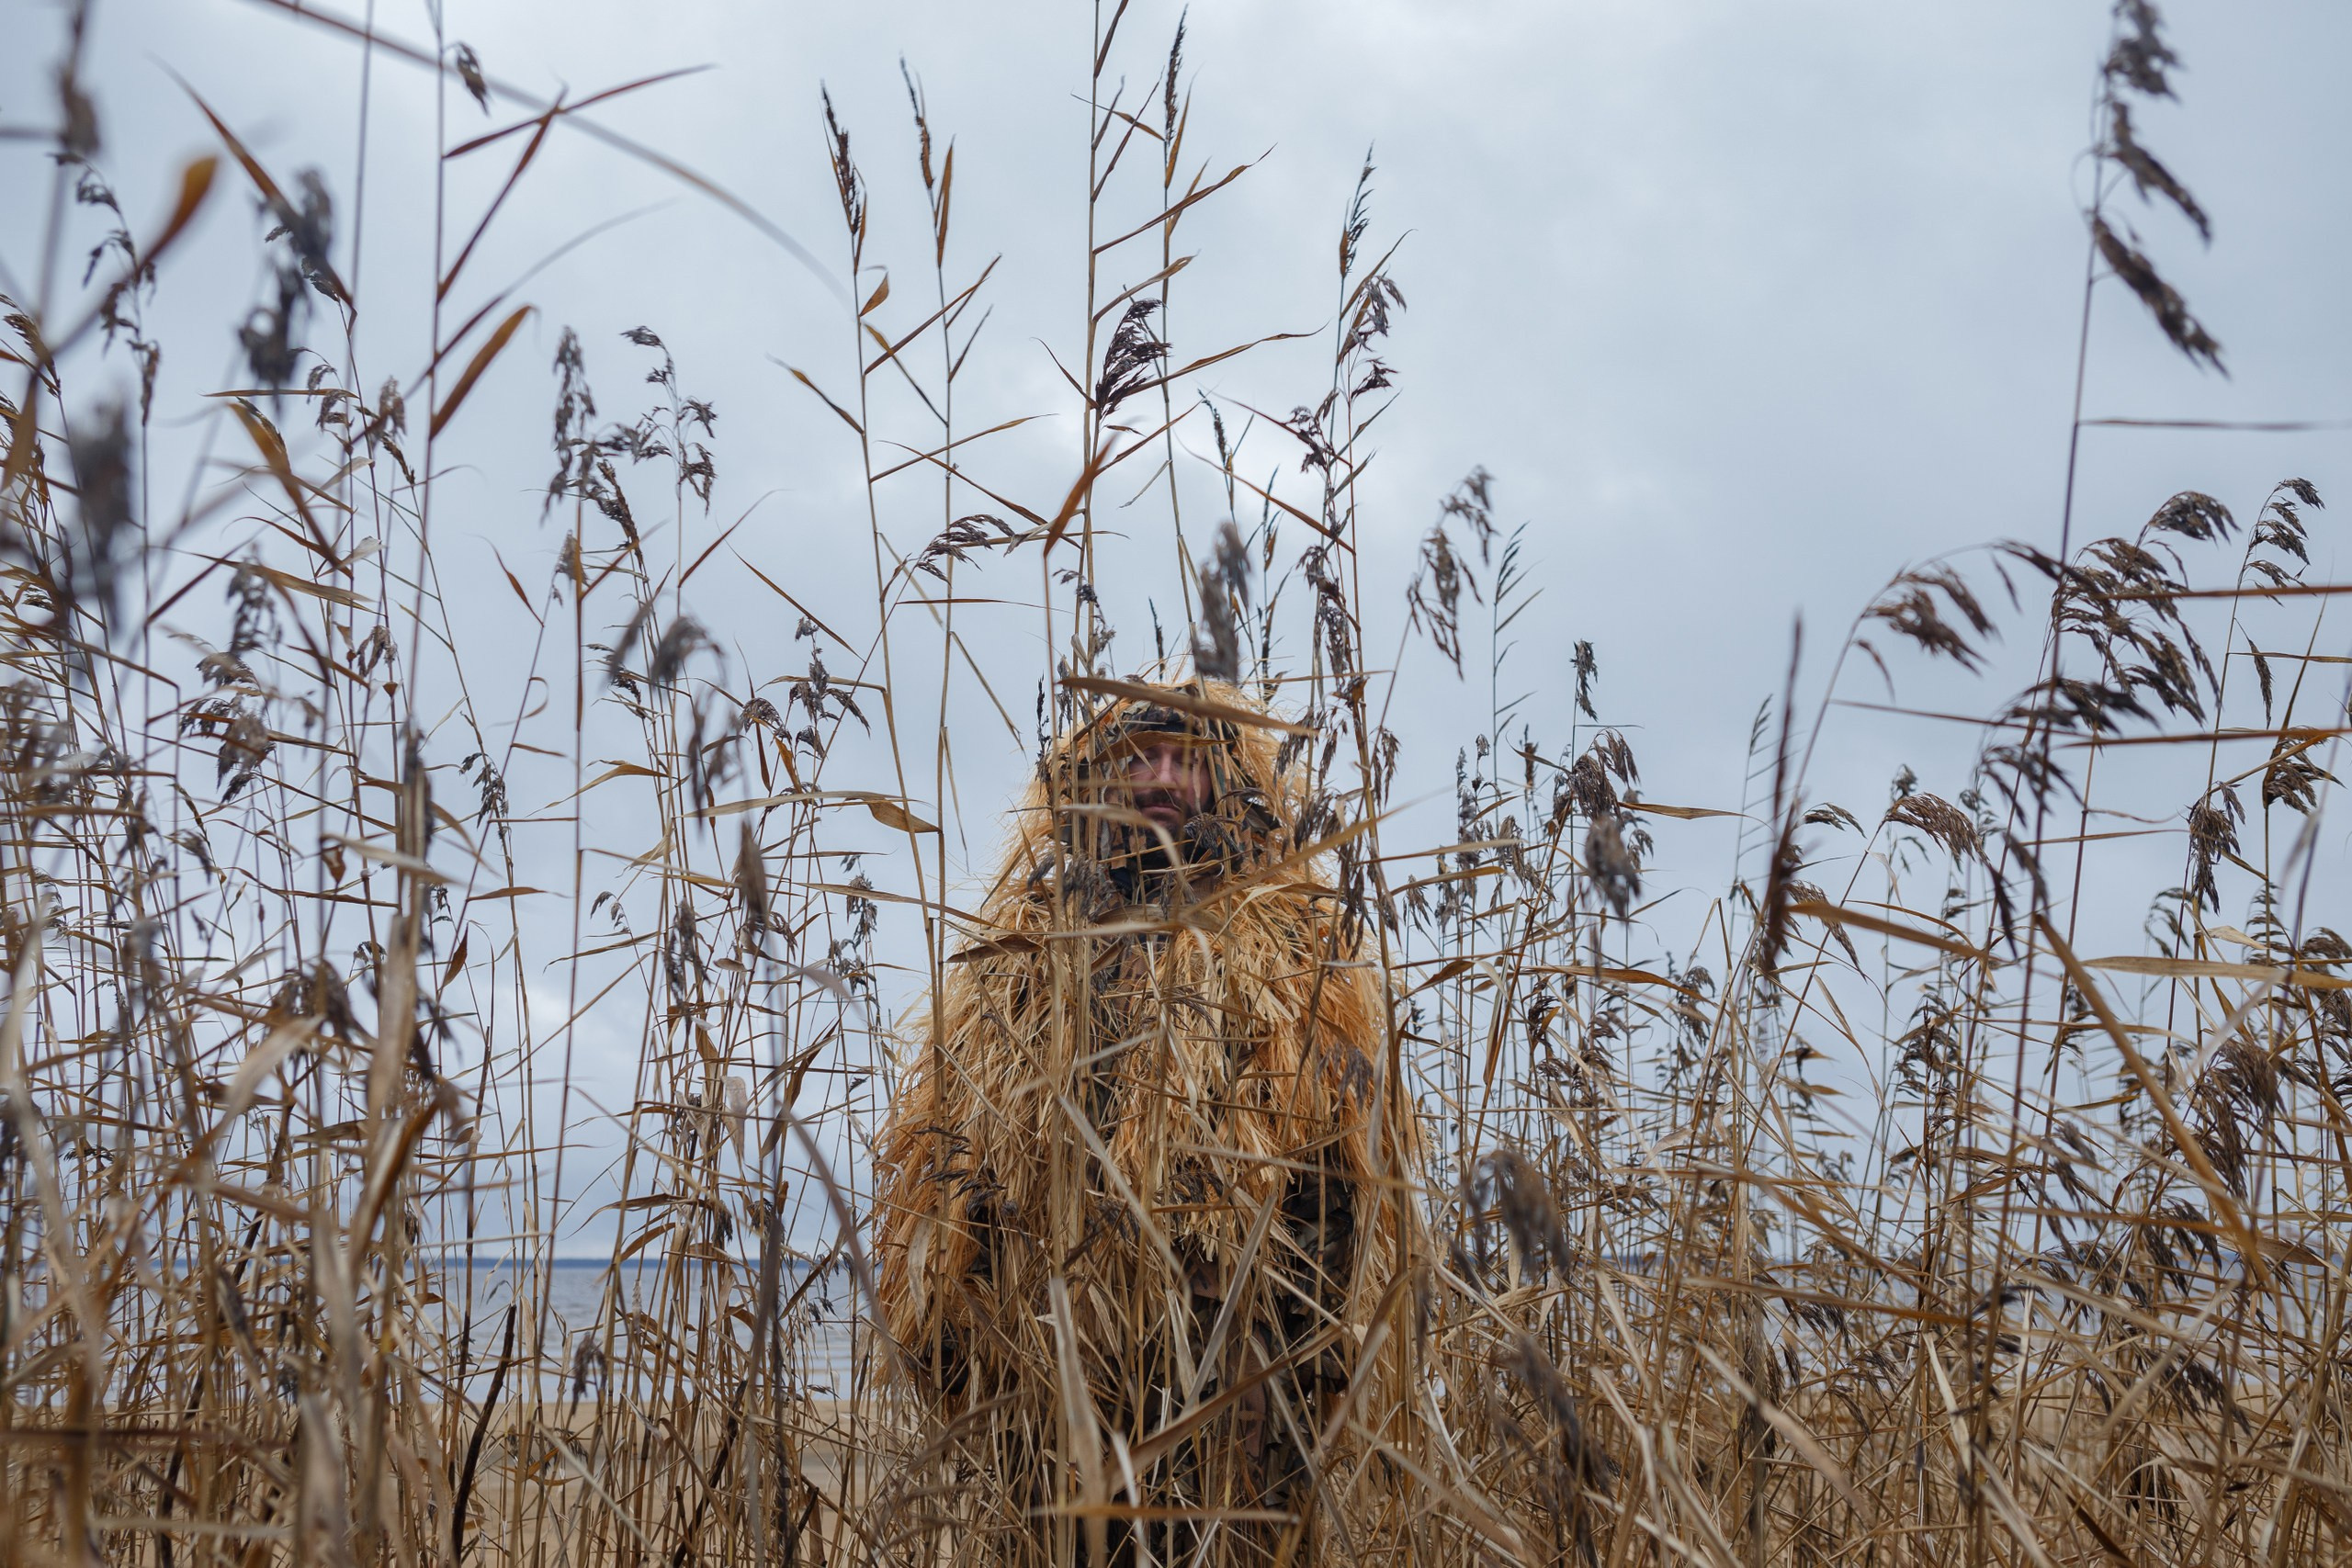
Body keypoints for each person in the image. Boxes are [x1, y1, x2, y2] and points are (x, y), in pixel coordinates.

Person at [871, 679, 1416, 1564]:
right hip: (1062, 1368)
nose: (1162, 776)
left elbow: (1331, 1171)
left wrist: (1285, 1358)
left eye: (1186, 761)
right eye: (1140, 755)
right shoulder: (1025, 947)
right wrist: (971, 1314)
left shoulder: (1288, 949)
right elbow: (952, 1144)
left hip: (1231, 1367)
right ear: (1102, 773)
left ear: (1224, 781)